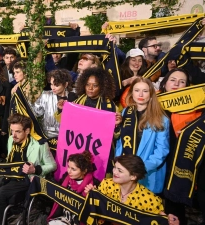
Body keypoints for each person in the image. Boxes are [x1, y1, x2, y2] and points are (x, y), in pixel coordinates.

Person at [0, 113, 57, 225]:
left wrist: (36, 170)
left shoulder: (40, 145)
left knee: (0, 194)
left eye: (18, 131)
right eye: (12, 131)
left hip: (27, 179)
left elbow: (53, 165)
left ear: (27, 131)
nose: (13, 135)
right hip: (11, 174)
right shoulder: (11, 139)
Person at [158, 68, 203, 224]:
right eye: (173, 80)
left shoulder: (197, 110)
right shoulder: (151, 103)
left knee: (175, 213)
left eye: (182, 81)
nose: (177, 83)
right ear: (164, 84)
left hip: (179, 169)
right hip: (156, 168)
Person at [85, 155, 179, 225]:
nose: (114, 172)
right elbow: (97, 210)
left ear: (133, 176)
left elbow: (160, 219)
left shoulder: (150, 200)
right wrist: (92, 195)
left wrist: (170, 221)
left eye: (120, 170)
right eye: (115, 168)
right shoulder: (106, 184)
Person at [114, 77, 169, 194]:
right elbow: (121, 142)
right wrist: (119, 163)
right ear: (131, 93)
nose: (140, 94)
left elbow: (162, 150)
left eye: (145, 91)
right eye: (137, 90)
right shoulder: (126, 112)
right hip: (124, 171)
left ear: (151, 94)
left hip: (146, 173)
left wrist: (139, 169)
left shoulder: (162, 119)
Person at [48, 151, 99, 225]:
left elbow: (95, 210)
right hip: (64, 218)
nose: (69, 171)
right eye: (68, 167)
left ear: (84, 171)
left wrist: (92, 195)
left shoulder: (93, 184)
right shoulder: (65, 178)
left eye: (73, 169)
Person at [32, 69, 77, 139]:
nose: (53, 88)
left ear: (65, 84)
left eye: (56, 85)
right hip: (48, 136)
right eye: (51, 84)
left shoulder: (73, 96)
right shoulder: (45, 95)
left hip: (68, 136)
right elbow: (36, 112)